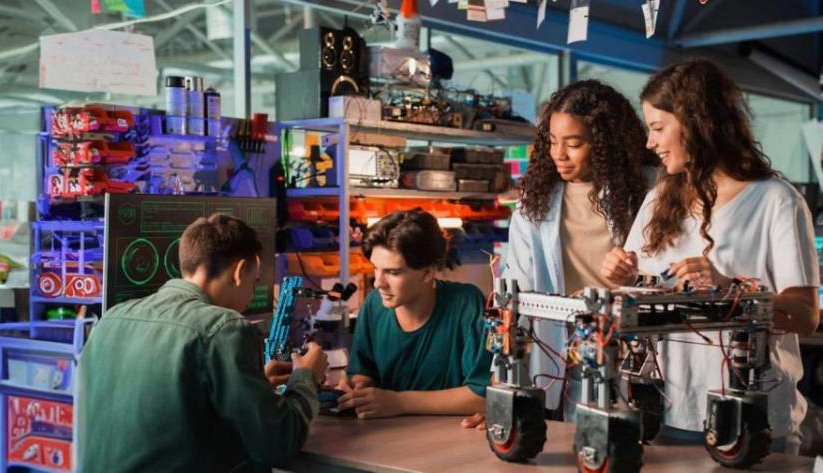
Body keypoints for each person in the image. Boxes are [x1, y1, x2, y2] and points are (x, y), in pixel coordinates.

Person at [600, 58, 819, 453]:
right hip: (665, 412)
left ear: (697, 123)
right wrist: (622, 274)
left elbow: (805, 316)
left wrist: (727, 287)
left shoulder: (776, 201)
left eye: (657, 128)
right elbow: (640, 290)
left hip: (752, 421)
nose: (650, 143)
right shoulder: (656, 202)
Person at [78, 213, 329, 472]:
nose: (251, 296)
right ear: (240, 271)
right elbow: (277, 444)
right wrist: (305, 377)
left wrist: (255, 385)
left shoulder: (111, 319)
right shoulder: (225, 328)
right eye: (254, 283)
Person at [501, 79, 656, 418]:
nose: (558, 154)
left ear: (605, 143)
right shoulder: (536, 200)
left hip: (629, 343)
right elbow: (520, 285)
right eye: (553, 141)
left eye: (573, 143)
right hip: (560, 347)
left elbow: (665, 269)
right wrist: (505, 389)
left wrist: (635, 276)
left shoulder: (650, 190)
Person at [336, 210, 493, 423]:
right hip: (387, 436)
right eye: (376, 269)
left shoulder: (466, 304)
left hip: (451, 439)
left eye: (392, 272)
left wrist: (399, 402)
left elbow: (483, 396)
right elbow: (363, 371)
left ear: (428, 272)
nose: (378, 283)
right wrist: (360, 388)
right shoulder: (373, 305)